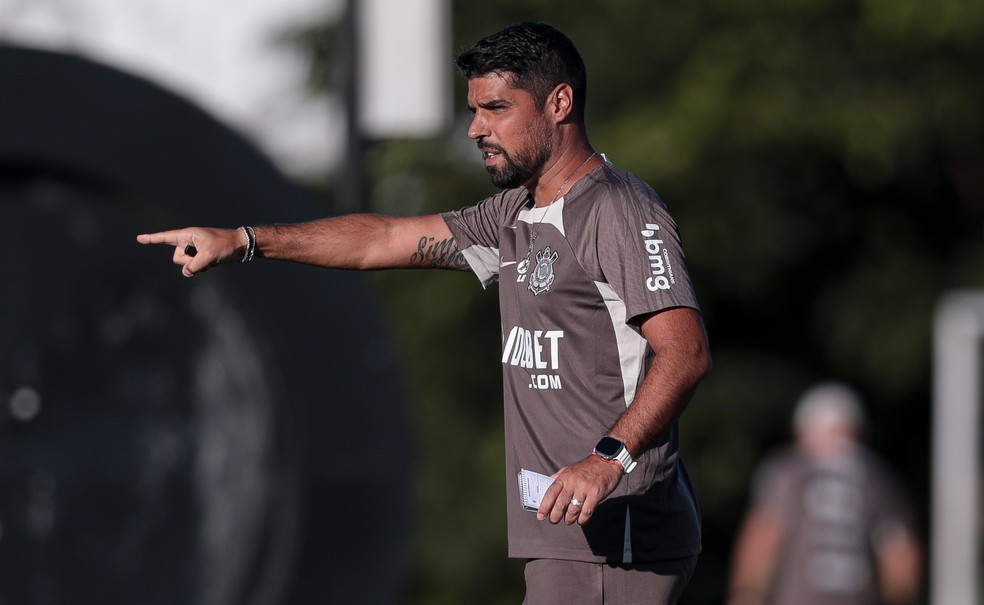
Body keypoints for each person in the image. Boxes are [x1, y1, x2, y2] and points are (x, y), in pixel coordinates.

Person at [138, 22, 711, 605]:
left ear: (559, 103)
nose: (475, 129)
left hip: (618, 534)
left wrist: (605, 460)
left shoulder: (616, 208)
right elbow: (380, 239)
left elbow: (685, 350)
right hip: (565, 536)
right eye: (474, 110)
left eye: (496, 109)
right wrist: (244, 240)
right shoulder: (515, 212)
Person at [726, 382, 923, 605]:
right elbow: (900, 555)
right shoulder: (877, 476)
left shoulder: (787, 470)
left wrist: (745, 595)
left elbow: (764, 535)